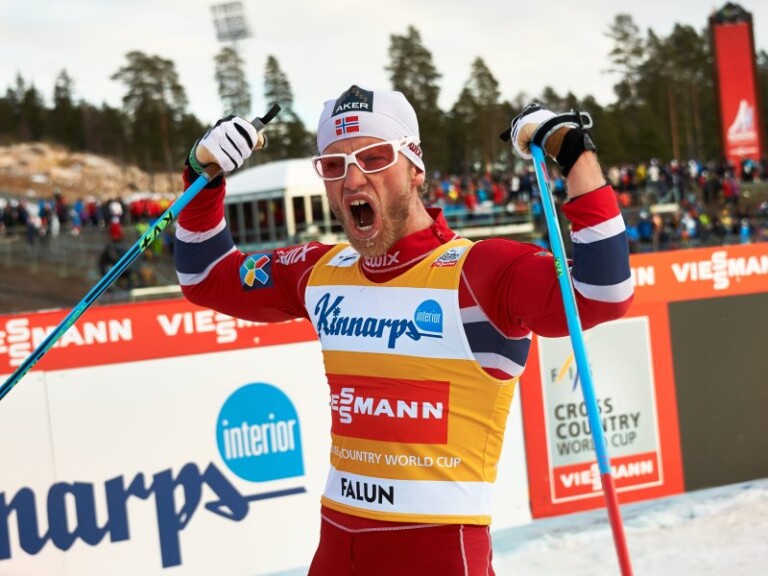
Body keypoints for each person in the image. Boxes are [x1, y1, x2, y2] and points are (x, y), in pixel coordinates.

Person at [174, 85, 634, 575]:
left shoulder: (480, 272)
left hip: (438, 554)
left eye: (373, 158)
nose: (352, 179)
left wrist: (571, 148)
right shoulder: (320, 271)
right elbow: (205, 277)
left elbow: (605, 291)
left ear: (415, 168)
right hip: (337, 551)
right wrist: (203, 173)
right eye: (333, 165)